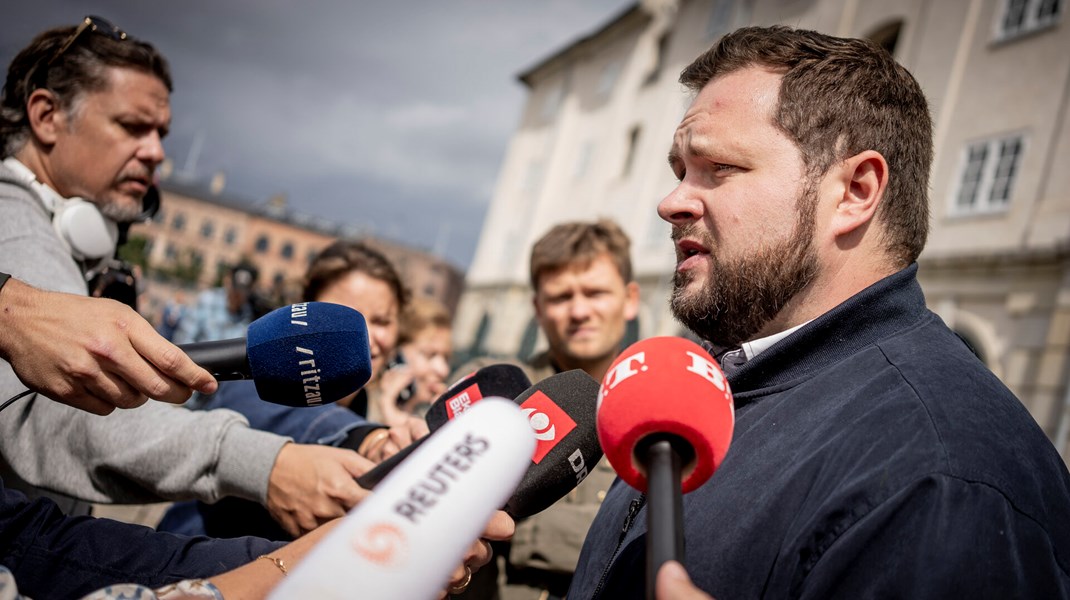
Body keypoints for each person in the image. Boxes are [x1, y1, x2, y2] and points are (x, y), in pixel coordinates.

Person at [569, 25, 1070, 599]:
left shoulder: (944, 477)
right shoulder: (708, 387)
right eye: (680, 170)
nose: (671, 201)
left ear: (855, 191)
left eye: (719, 168)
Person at [0, 16, 372, 543]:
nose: (156, 152)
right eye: (132, 126)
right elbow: (55, 418)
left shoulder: (55, 233)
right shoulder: (11, 223)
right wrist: (266, 466)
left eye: (160, 133)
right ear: (46, 116)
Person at [158, 240, 432, 541]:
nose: (365, 334)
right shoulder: (260, 377)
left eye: (382, 321)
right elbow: (263, 409)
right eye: (345, 315)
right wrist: (373, 443)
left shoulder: (369, 408)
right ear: (304, 312)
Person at [457, 219, 640, 600]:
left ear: (631, 300)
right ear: (538, 309)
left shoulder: (658, 412)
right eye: (560, 297)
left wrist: (522, 527)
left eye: (595, 293)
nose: (579, 311)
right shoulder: (493, 390)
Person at [374, 295, 454, 424]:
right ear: (395, 355)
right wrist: (387, 408)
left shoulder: (425, 418)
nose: (443, 370)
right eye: (430, 354)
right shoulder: (356, 404)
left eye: (446, 358)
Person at [173, 263, 259, 345]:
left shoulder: (249, 315)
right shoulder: (207, 300)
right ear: (227, 281)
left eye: (243, 290)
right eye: (235, 288)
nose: (238, 294)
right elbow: (184, 338)